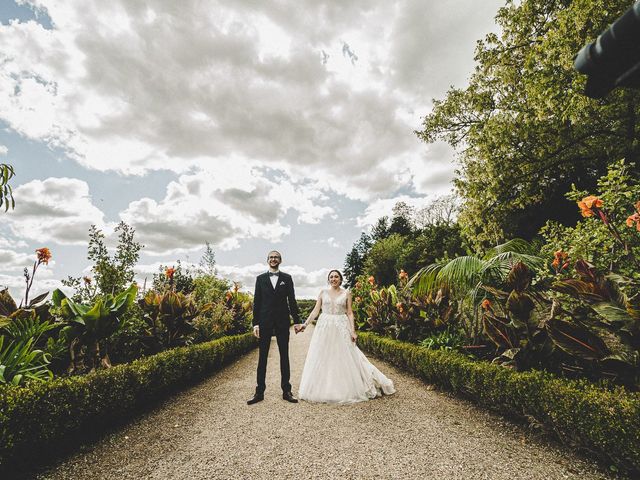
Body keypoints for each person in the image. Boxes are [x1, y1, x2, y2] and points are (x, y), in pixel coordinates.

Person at [296, 269, 395, 404]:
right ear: (328, 279)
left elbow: (349, 313)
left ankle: (348, 387)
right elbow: (315, 311)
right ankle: (324, 388)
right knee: (324, 356)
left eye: (336, 276)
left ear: (340, 279)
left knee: (345, 355)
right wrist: (305, 324)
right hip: (324, 327)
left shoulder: (347, 293)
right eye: (331, 277)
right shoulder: (323, 293)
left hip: (341, 325)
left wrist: (352, 331)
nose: (334, 279)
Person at [247, 250, 302, 405]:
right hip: (264, 322)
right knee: (262, 357)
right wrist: (255, 323)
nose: (273, 259)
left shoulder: (287, 278)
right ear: (267, 260)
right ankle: (259, 392)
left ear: (280, 260)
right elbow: (257, 302)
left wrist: (297, 321)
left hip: (282, 322)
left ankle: (287, 390)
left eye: (276, 257)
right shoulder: (260, 279)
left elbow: (292, 300)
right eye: (271, 257)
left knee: (284, 356)